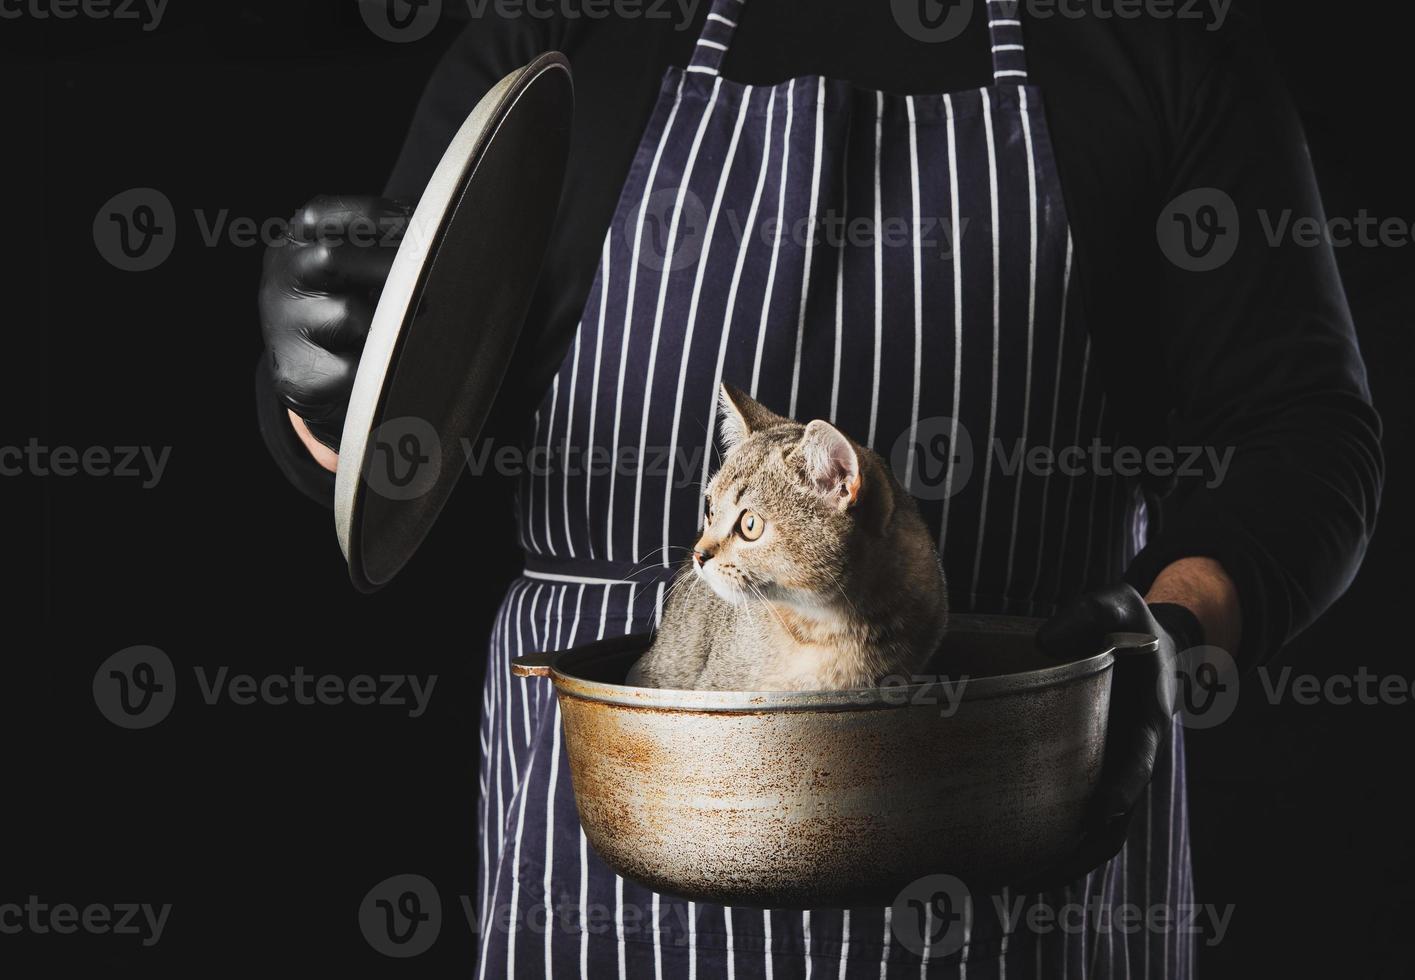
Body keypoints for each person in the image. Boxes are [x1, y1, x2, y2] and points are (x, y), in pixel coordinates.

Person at [255, 1, 1382, 975]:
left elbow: (1302, 434)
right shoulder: (560, 26)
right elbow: (393, 432)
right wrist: (324, 386)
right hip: (608, 850)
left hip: (1018, 811)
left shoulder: (1154, 39)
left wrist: (1166, 639)